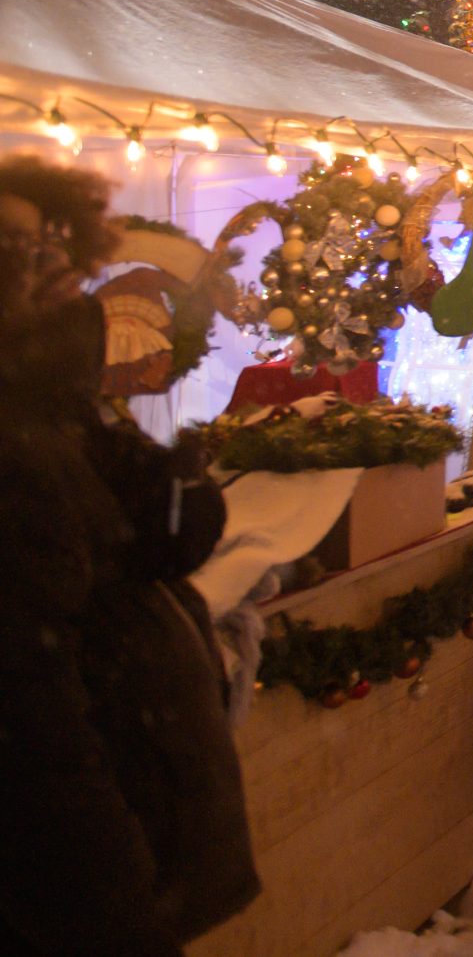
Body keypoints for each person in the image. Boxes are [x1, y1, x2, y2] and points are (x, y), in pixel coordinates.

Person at [1, 158, 258, 953]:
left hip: (142, 841)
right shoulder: (16, 442)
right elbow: (33, 728)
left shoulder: (55, 406)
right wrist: (116, 904)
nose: (46, 264)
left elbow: (167, 541)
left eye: (47, 242)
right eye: (12, 249)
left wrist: (171, 475)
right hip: (75, 895)